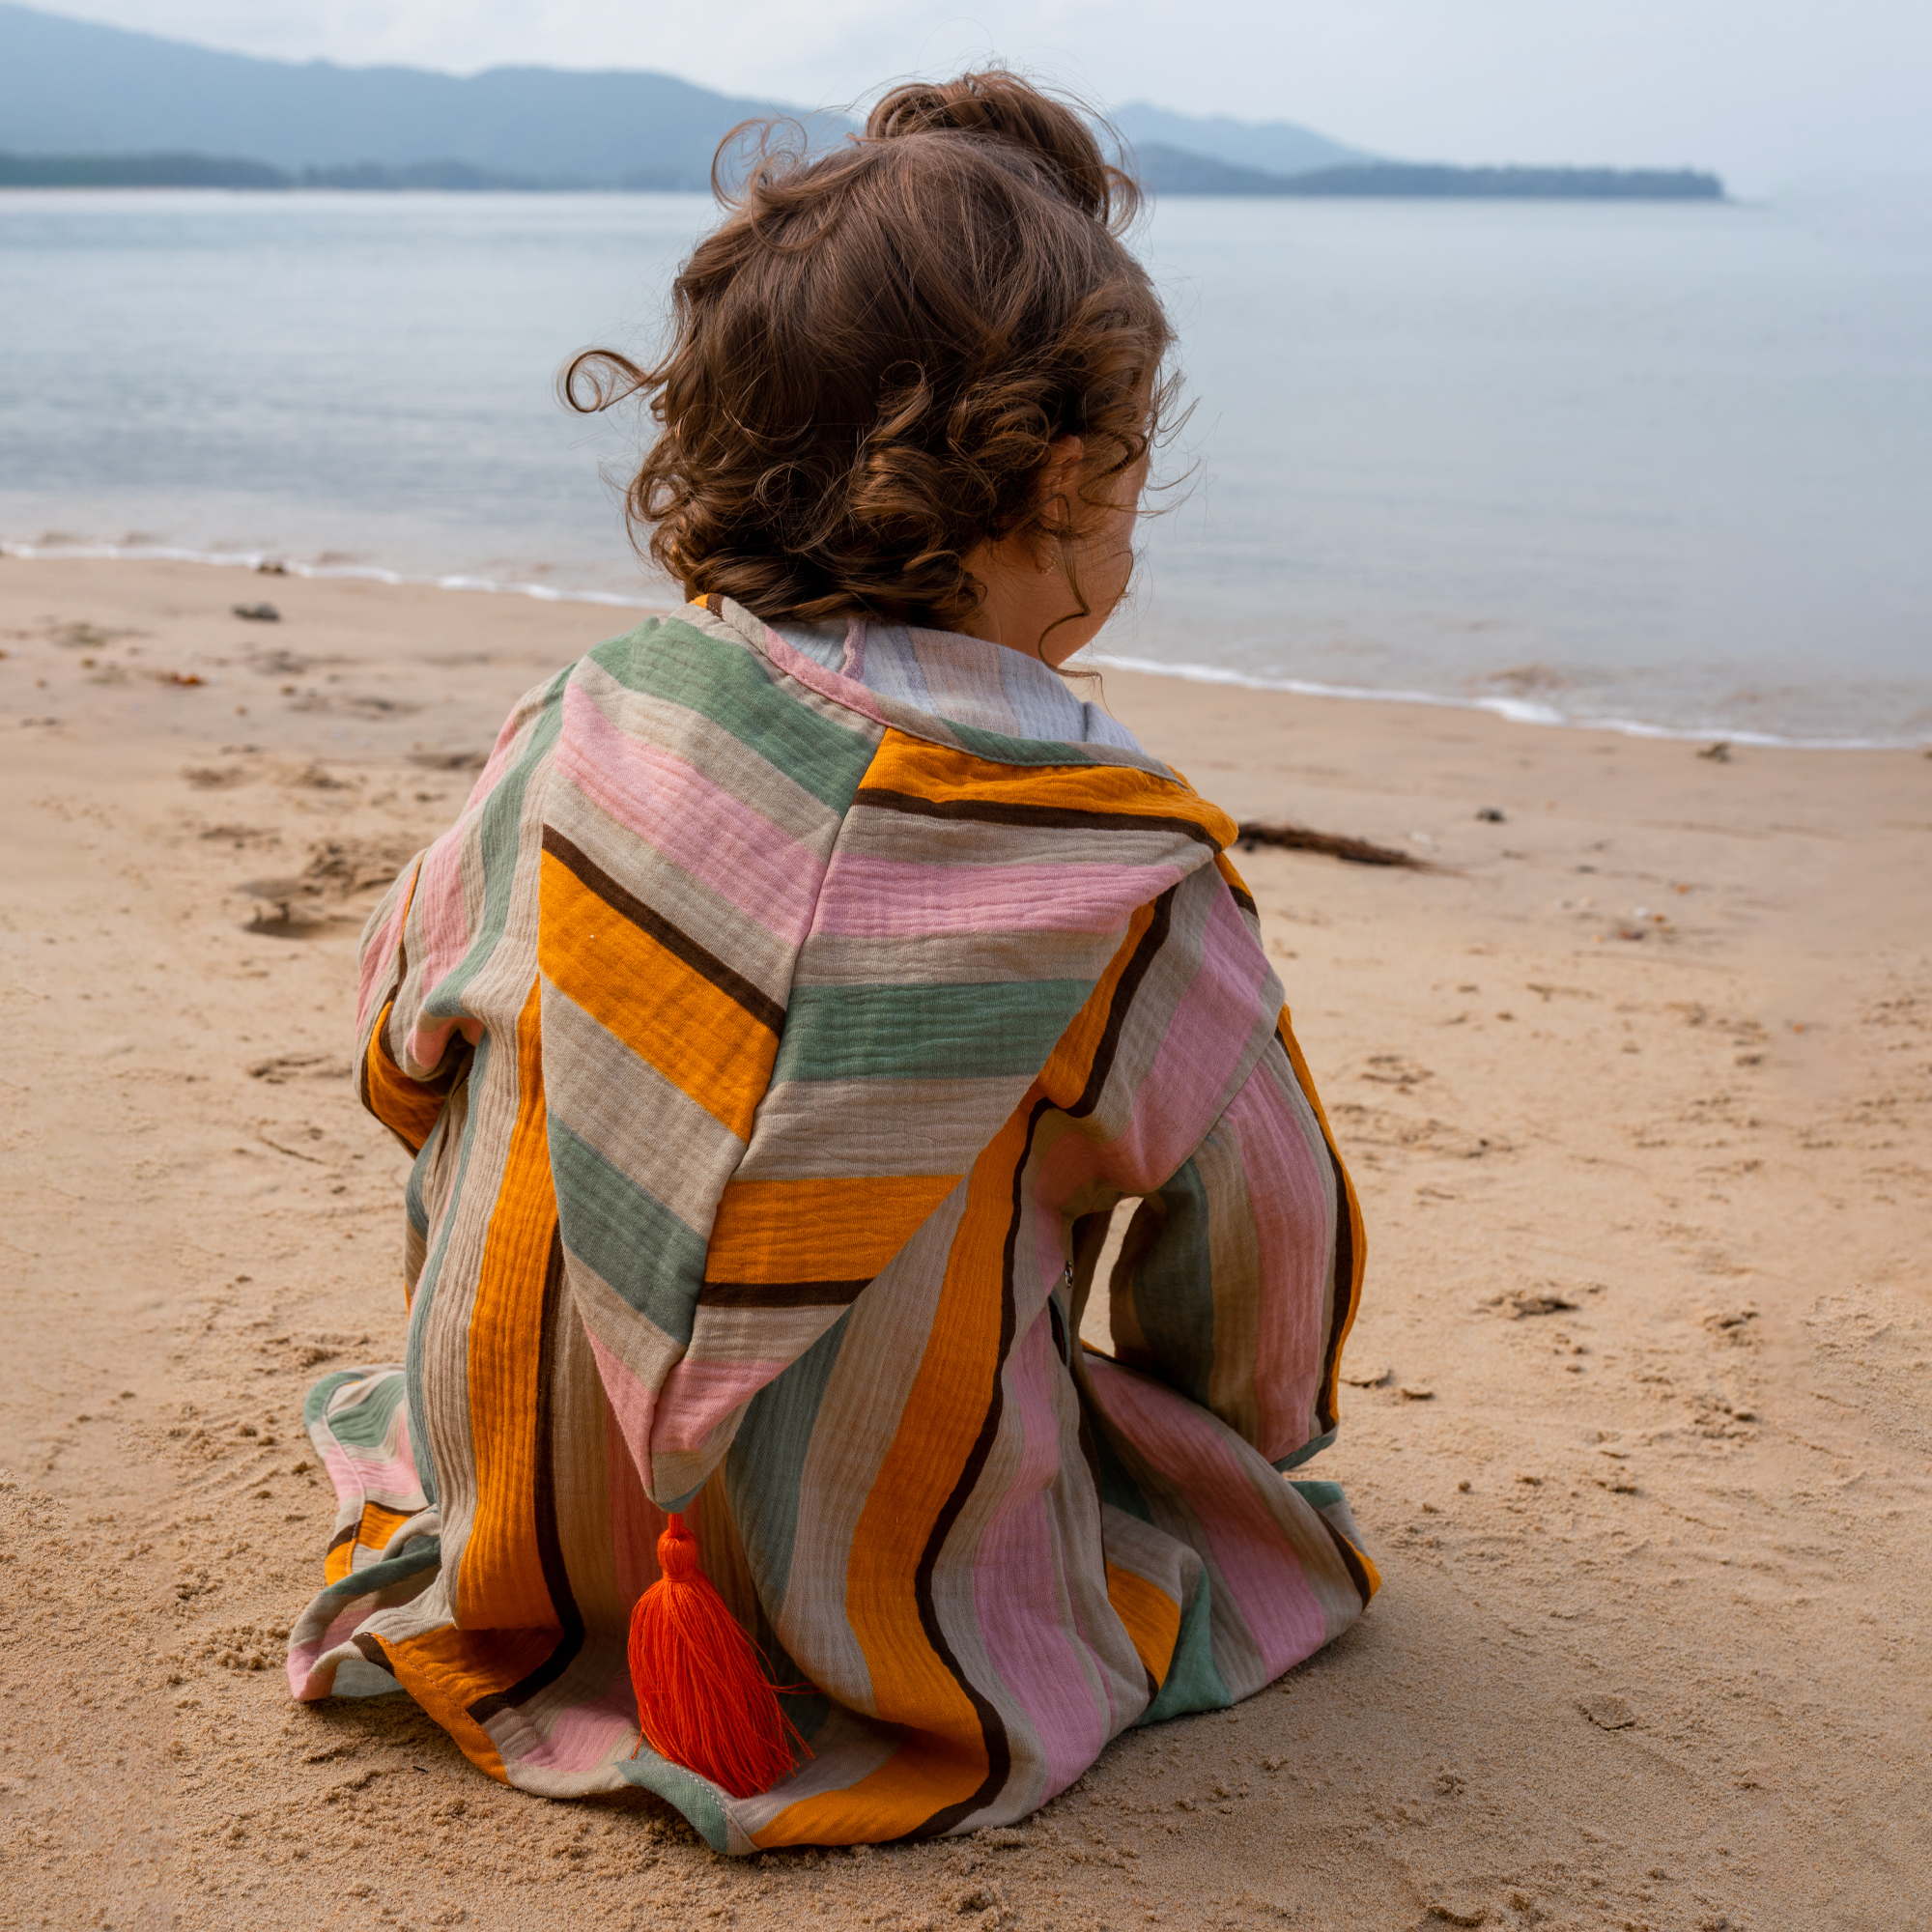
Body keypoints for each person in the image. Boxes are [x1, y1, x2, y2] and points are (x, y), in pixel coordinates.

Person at [286, 71, 1376, 1853]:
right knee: (1218, 1510)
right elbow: (1263, 1280)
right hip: (891, 1623)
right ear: (1076, 472)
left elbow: (401, 1056)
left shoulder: (575, 736)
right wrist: (1227, 1438)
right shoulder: (1122, 872)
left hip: (521, 1536)